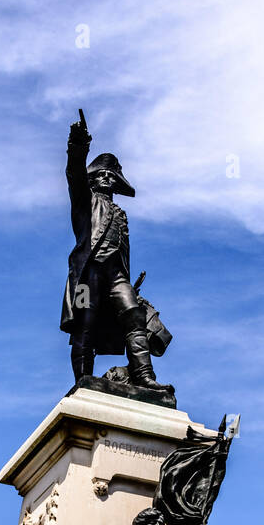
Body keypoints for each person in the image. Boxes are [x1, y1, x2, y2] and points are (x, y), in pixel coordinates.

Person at [60, 114, 158, 388]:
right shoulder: (84, 202)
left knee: (133, 314)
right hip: (86, 275)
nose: (104, 178)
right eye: (100, 174)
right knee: (84, 324)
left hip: (116, 275)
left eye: (110, 175)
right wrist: (77, 146)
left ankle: (145, 378)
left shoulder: (120, 212)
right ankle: (83, 382)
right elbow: (74, 173)